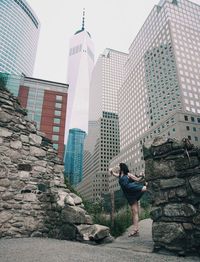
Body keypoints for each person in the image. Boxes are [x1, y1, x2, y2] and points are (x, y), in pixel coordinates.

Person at [109, 163, 147, 237]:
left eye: (119, 166)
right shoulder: (119, 175)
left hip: (131, 188)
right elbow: (111, 172)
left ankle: (148, 184)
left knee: (146, 188)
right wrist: (115, 167)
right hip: (129, 194)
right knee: (134, 212)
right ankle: (135, 231)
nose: (118, 167)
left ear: (122, 167)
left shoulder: (128, 174)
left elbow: (138, 180)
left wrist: (142, 175)